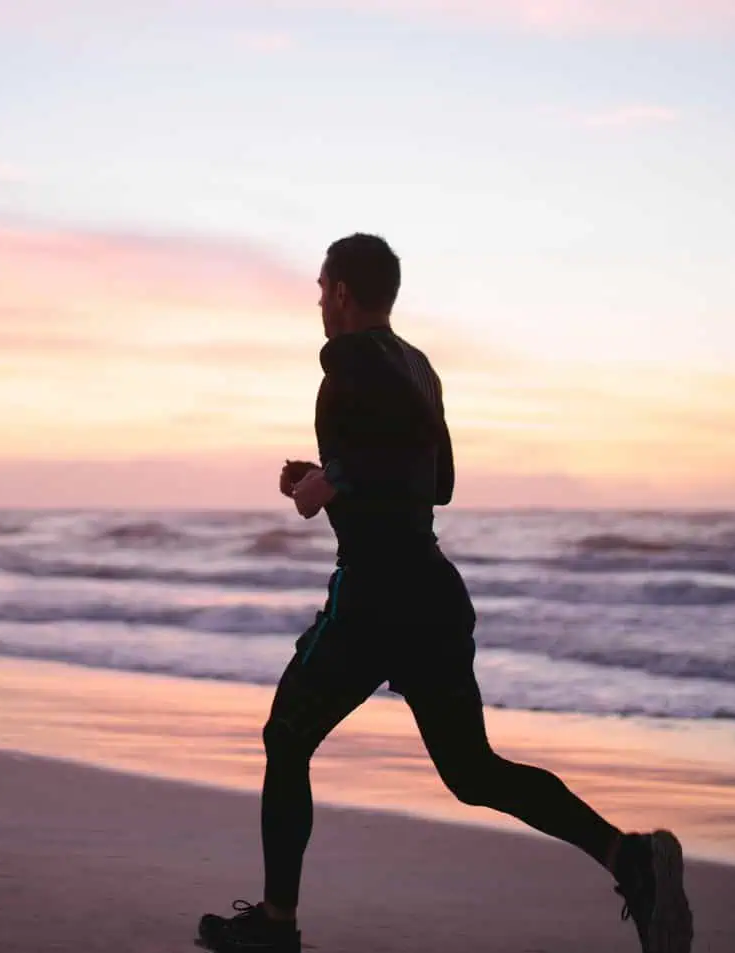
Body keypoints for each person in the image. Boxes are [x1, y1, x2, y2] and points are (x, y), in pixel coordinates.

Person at [197, 234, 693, 953]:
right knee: (473, 771)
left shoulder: (348, 360)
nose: (316, 301)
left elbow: (387, 467)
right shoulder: (420, 367)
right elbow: (439, 483)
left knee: (286, 735)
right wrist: (333, 470)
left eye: (320, 287)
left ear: (340, 291)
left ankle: (275, 927)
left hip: (374, 597)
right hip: (429, 594)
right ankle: (630, 858)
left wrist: (329, 481)